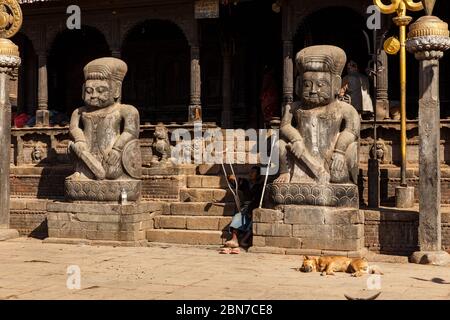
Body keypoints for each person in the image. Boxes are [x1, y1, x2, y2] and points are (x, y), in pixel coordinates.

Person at [222, 166, 263, 251]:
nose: (250, 174)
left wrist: (251, 209)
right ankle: (234, 239)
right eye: (250, 172)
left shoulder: (260, 186)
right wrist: (230, 177)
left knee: (252, 220)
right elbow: (235, 182)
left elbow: (258, 199)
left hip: (255, 207)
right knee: (238, 216)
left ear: (258, 175)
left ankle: (243, 240)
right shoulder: (245, 183)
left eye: (253, 172)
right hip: (245, 207)